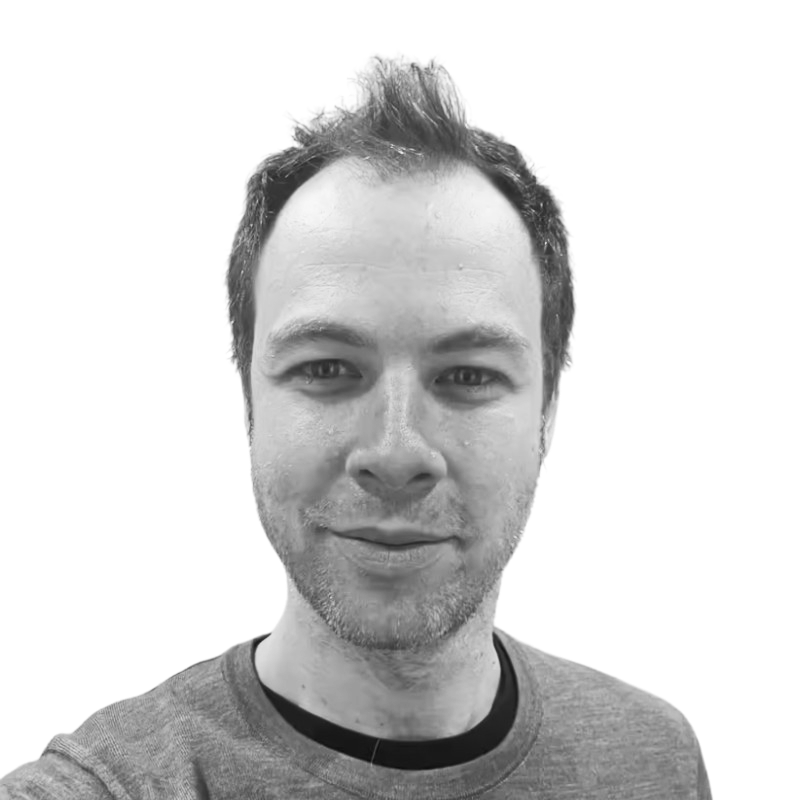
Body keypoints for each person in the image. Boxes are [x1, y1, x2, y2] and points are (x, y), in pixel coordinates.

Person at [0, 51, 711, 799]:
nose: (396, 453)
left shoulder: (652, 759)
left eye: (468, 376)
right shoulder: (109, 787)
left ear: (549, 415)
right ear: (247, 407)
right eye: (327, 368)